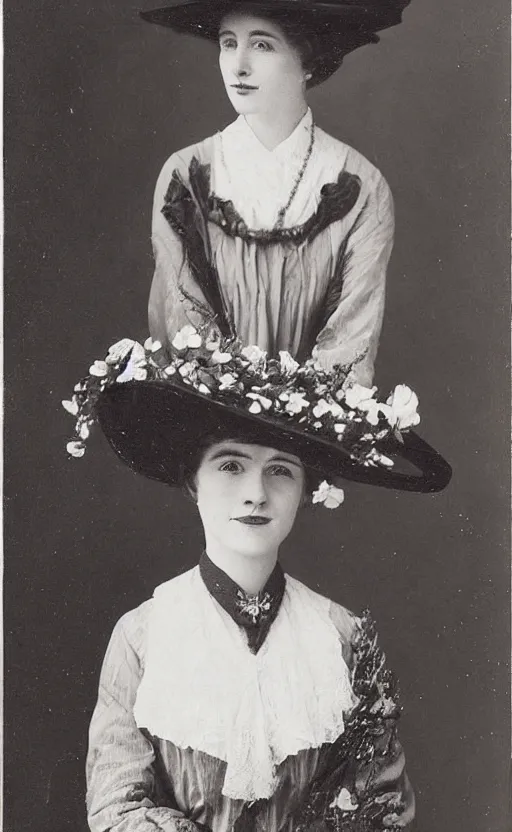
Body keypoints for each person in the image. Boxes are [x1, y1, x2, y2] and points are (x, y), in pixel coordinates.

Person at [62, 330, 451, 831]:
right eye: (230, 465)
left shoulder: (343, 637)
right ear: (192, 482)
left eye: (281, 471)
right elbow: (117, 809)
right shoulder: (142, 637)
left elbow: (383, 810)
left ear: (306, 491)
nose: (256, 494)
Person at [143, 1, 412, 386]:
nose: (239, 66)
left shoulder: (360, 187)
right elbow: (183, 327)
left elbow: (350, 348)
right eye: (228, 43)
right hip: (208, 422)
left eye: (262, 45)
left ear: (308, 61)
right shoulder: (184, 177)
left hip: (313, 433)